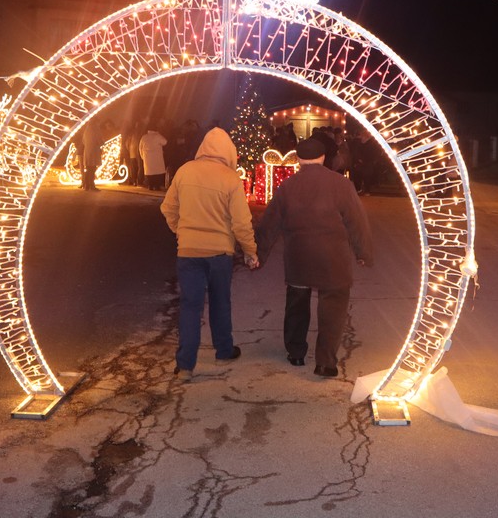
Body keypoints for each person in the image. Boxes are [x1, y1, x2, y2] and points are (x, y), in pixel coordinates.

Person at [257, 136, 373, 378]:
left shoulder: (287, 186)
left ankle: (296, 353)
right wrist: (363, 252)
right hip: (333, 260)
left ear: (298, 159)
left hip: (299, 257)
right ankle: (325, 362)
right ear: (323, 158)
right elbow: (357, 221)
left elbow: (270, 223)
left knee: (297, 303)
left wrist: (257, 253)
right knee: (333, 307)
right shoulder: (341, 184)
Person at [160, 127, 260, 381]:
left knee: (190, 307)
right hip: (219, 254)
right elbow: (241, 222)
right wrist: (250, 251)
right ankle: (224, 350)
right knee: (220, 303)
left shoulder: (185, 171)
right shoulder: (229, 178)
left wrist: (181, 232)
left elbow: (168, 208)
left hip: (188, 252)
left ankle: (185, 366)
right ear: (229, 152)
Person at [139, 125, 168, 191]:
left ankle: (150, 186)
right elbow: (165, 142)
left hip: (147, 159)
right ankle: (157, 186)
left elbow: (140, 148)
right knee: (157, 173)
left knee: (150, 174)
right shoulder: (157, 136)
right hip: (157, 158)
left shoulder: (144, 137)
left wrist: (143, 157)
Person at [82, 118, 103, 191]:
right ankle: (91, 185)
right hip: (93, 151)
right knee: (92, 169)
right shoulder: (95, 128)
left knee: (88, 169)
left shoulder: (86, 130)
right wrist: (101, 143)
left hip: (87, 151)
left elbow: (83, 141)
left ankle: (87, 185)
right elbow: (99, 139)